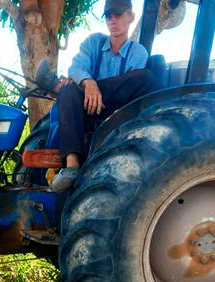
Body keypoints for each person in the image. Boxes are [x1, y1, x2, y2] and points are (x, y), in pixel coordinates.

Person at [51, 0, 154, 192]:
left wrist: (92, 84)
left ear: (130, 17)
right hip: (86, 106)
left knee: (145, 77)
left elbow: (127, 87)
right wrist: (88, 83)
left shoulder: (137, 51)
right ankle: (71, 165)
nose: (112, 20)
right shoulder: (94, 42)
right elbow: (77, 67)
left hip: (118, 108)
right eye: (108, 15)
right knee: (67, 89)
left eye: (119, 14)